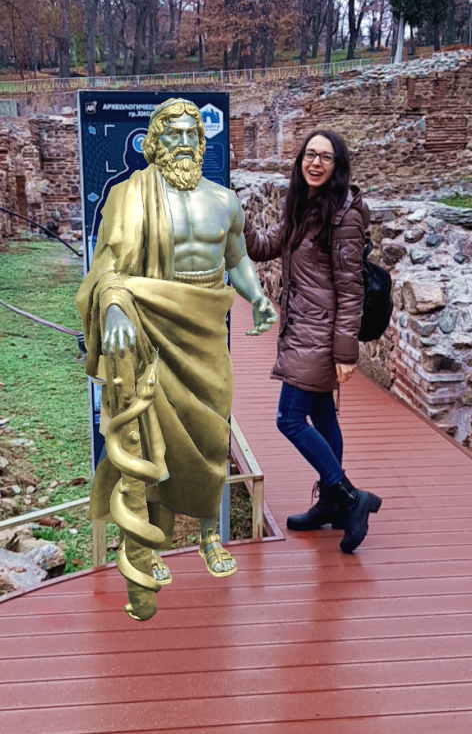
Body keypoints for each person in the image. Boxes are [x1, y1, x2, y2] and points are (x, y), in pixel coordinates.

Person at [76, 98, 278, 621]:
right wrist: (113, 306)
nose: (185, 142)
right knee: (150, 433)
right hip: (150, 325)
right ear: (154, 141)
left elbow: (237, 258)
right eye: (174, 134)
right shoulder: (128, 196)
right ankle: (151, 543)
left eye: (192, 133)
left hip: (206, 326)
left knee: (211, 434)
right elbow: (108, 265)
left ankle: (210, 535)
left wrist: (257, 296)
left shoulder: (224, 200)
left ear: (202, 141)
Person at [243, 129, 382, 553]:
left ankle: (349, 498)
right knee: (322, 417)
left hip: (319, 335)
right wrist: (236, 220)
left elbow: (351, 289)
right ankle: (332, 505)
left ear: (338, 165)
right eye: (309, 154)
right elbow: (265, 246)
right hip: (301, 328)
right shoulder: (302, 205)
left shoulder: (343, 215)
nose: (315, 163)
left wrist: (345, 351)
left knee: (288, 419)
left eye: (325, 157)